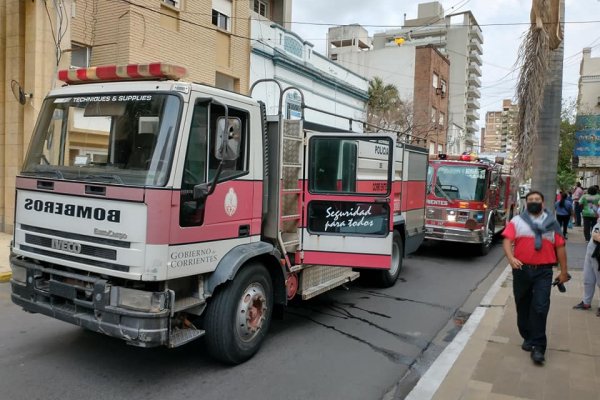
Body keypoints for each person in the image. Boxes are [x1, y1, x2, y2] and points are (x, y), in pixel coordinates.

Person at [502, 191, 569, 365]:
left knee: (540, 307)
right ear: (526, 202)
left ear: (543, 203)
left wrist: (563, 272)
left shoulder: (552, 223)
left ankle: (538, 347)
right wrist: (511, 258)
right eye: (530, 200)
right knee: (523, 304)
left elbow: (560, 248)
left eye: (536, 200)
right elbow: (507, 241)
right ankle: (528, 336)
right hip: (522, 270)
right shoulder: (517, 221)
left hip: (544, 272)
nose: (533, 202)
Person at [573, 223, 600, 313]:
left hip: (598, 255)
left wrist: (596, 235)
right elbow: (595, 234)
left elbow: (596, 236)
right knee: (588, 279)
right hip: (591, 251)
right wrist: (595, 235)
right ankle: (586, 302)